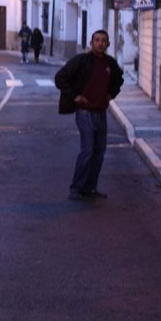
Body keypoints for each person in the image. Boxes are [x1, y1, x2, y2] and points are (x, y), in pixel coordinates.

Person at [54, 30, 123, 201]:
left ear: (108, 44)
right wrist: (75, 96)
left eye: (103, 41)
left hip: (101, 113)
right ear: (91, 43)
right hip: (85, 113)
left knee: (99, 152)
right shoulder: (81, 61)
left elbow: (119, 80)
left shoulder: (110, 64)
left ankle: (90, 188)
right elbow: (60, 77)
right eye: (97, 40)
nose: (100, 43)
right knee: (88, 150)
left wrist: (110, 95)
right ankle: (76, 189)